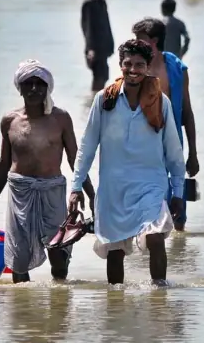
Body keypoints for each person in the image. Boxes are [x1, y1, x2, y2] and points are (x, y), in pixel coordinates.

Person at [68, 39, 186, 286]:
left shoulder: (160, 102)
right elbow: (87, 147)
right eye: (128, 64)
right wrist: (76, 187)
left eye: (139, 65)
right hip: (114, 189)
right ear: (120, 65)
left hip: (150, 185)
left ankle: (159, 300)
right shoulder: (105, 100)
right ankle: (116, 305)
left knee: (156, 237)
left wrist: (178, 191)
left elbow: (173, 151)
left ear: (148, 67)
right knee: (115, 252)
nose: (133, 70)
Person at [0, 59, 95, 284]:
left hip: (51, 190)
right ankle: (26, 314)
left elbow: (75, 158)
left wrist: (91, 194)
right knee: (19, 256)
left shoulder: (60, 118)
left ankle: (59, 301)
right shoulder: (9, 121)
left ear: (47, 87)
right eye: (28, 83)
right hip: (20, 191)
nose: (34, 88)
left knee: (58, 254)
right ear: (20, 88)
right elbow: (4, 163)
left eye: (39, 84)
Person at [132, 17, 199, 231]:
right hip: (142, 146)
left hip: (173, 142)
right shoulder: (134, 70)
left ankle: (179, 255)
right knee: (144, 209)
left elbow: (187, 112)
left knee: (178, 209)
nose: (135, 45)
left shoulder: (177, 69)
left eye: (140, 40)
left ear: (154, 41)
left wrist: (193, 153)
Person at [81, 0, 115, 93]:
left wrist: (111, 44)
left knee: (104, 76)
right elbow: (87, 27)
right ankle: (94, 105)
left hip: (103, 47)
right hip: (95, 48)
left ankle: (96, 103)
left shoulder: (101, 1)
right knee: (98, 78)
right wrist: (90, 49)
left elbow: (106, 24)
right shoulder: (90, 2)